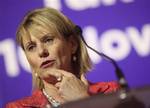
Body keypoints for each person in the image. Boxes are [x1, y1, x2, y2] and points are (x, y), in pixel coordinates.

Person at [6, 7, 119, 108]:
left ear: (72, 44)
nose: (41, 51)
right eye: (31, 47)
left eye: (48, 40)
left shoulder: (111, 93)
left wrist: (82, 100)